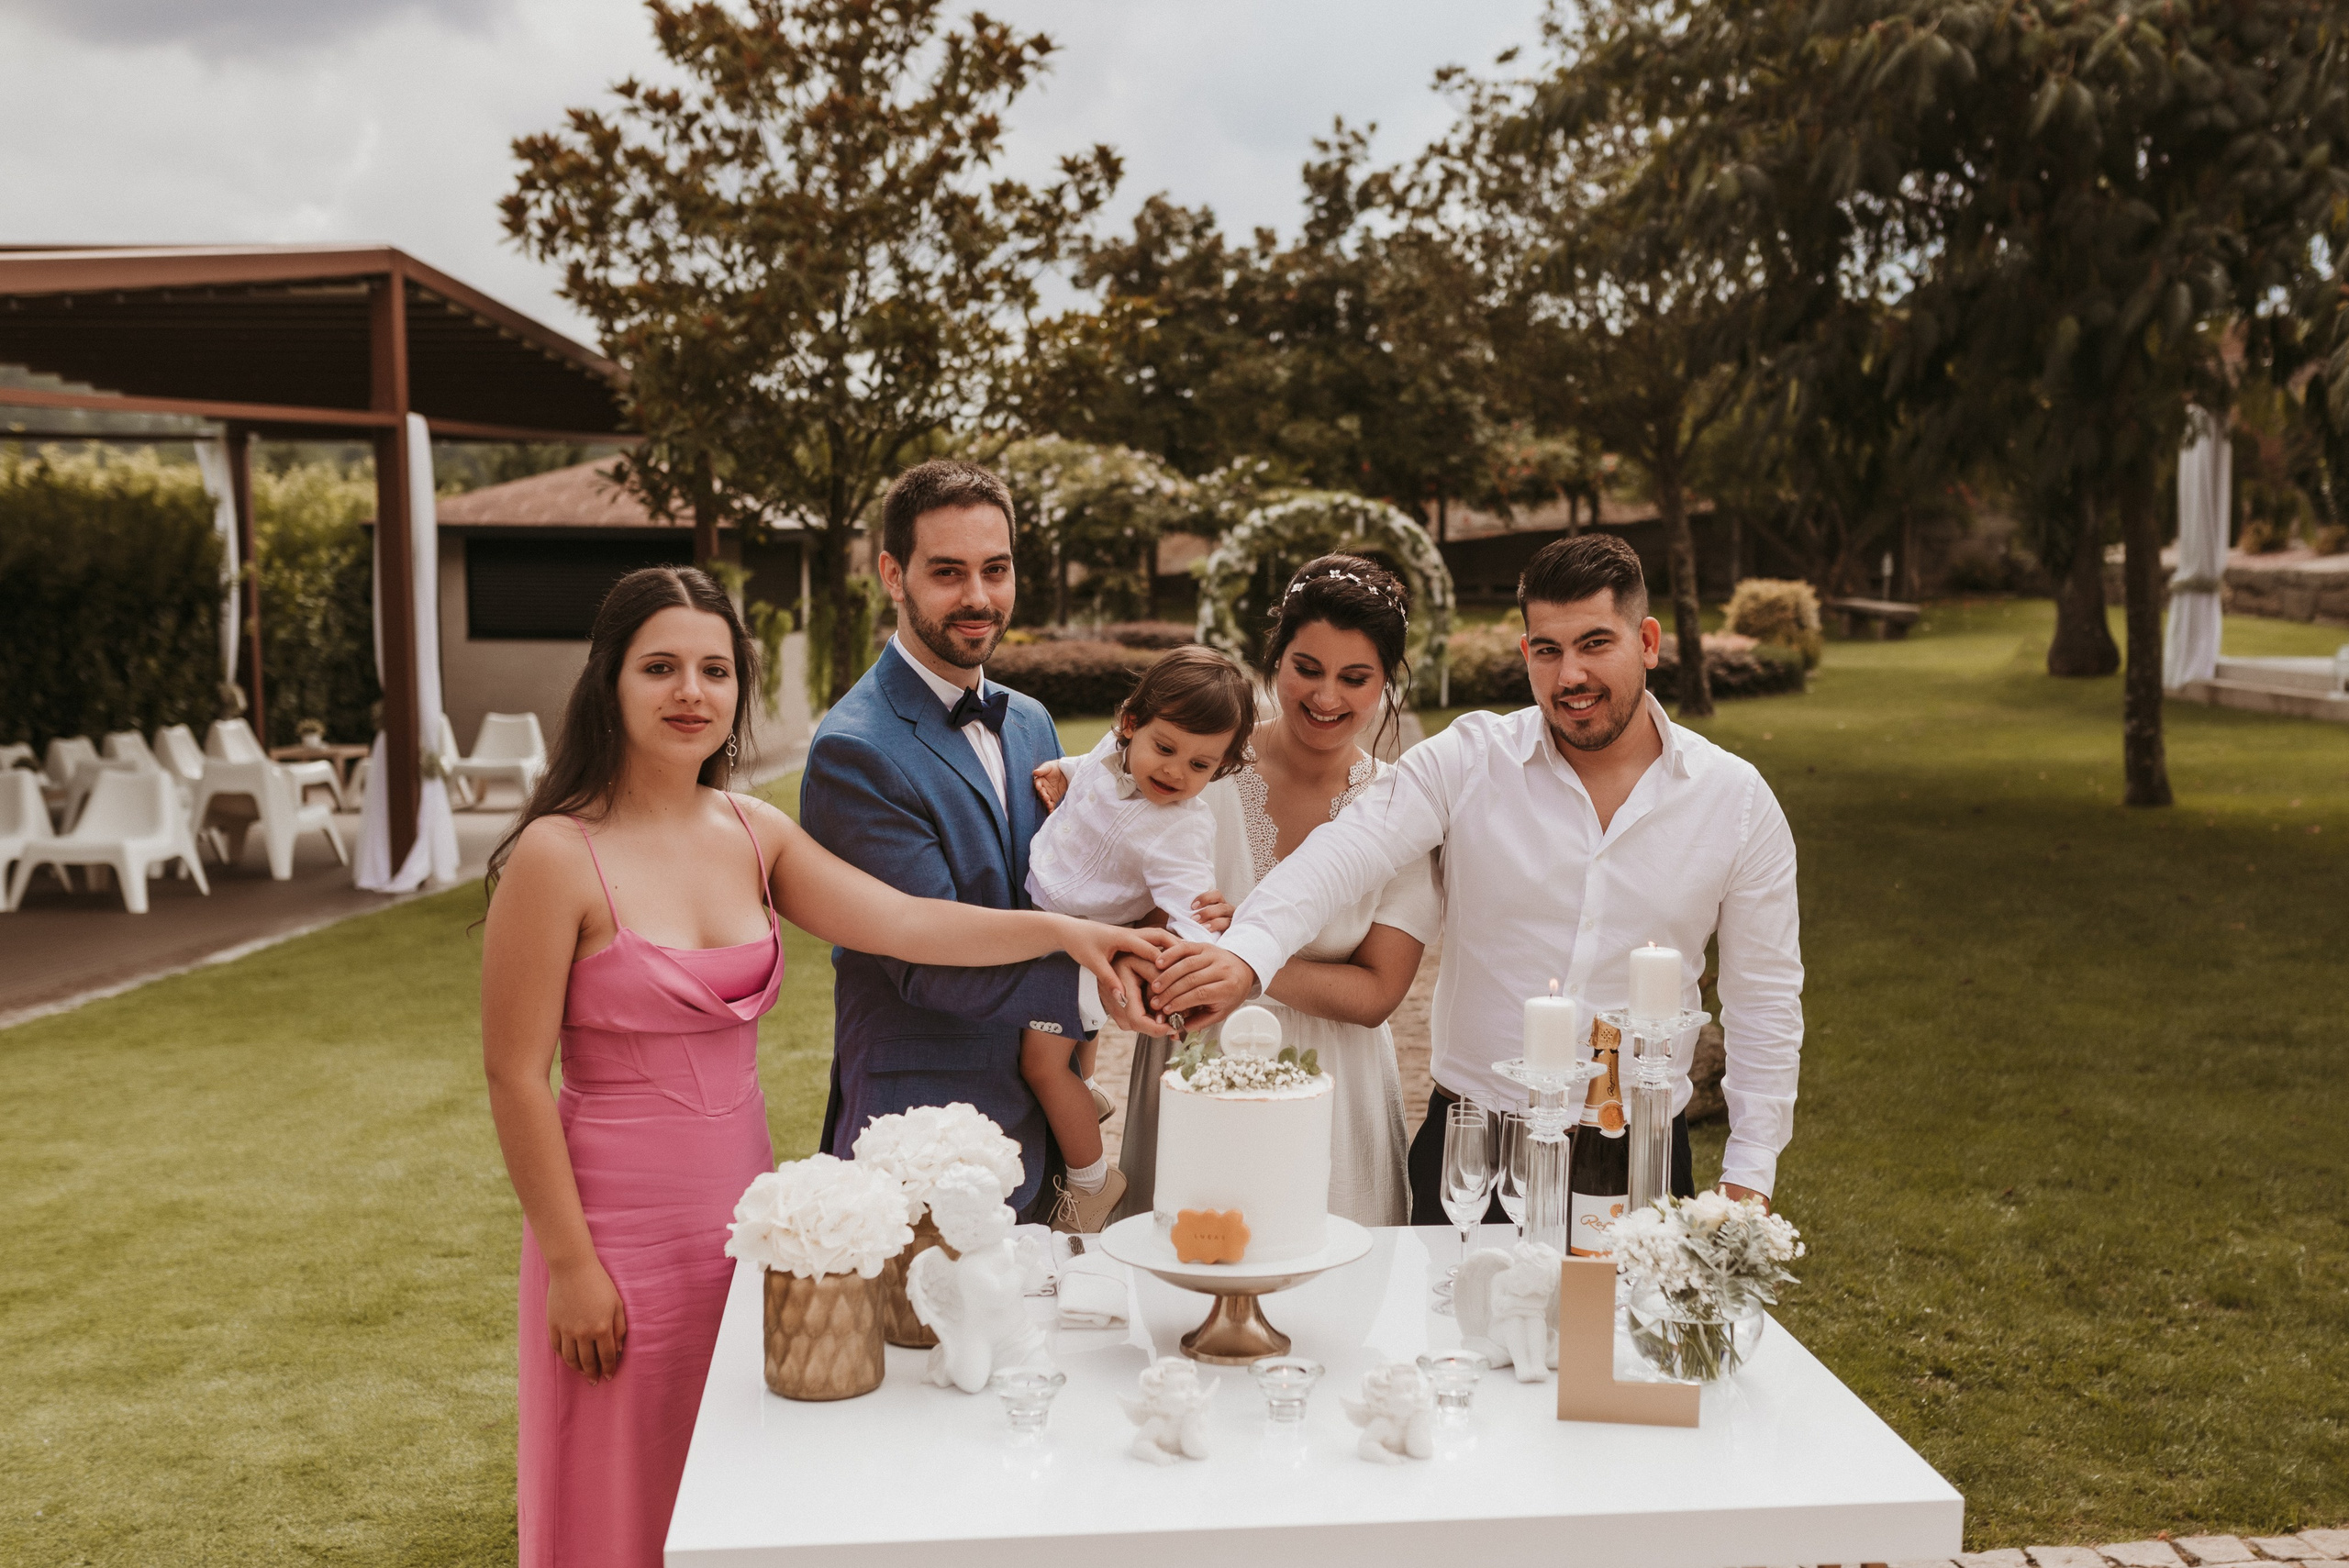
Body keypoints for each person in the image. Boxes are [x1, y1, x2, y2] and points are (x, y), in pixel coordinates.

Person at [480, 565, 1161, 1568]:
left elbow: (905, 920)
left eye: (715, 668)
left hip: (753, 1213)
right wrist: (572, 1265)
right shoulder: (555, 853)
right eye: (659, 666)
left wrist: (1066, 932)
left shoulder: (755, 832)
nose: (690, 692)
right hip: (611, 1226)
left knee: (747, 1467)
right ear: (608, 682)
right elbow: (511, 1075)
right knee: (621, 1472)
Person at [1146, 533, 1805, 1218]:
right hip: (1473, 1150)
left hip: (1637, 1156)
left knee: (1622, 1331)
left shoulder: (1736, 800)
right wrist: (1248, 954)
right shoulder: (1469, 759)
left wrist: (1749, 1173)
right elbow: (1347, 848)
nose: (1569, 674)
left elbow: (1764, 999)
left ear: (1646, 641)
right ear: (1526, 654)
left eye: (1594, 644)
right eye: (1547, 650)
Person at [800, 459, 1164, 1219]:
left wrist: (1156, 926)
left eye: (995, 570)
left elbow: (1067, 881)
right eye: (948, 572)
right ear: (892, 575)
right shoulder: (853, 749)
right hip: (922, 1123)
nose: (978, 598)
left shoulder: (1028, 719)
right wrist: (1103, 988)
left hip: (1041, 1114)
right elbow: (919, 960)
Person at [1108, 556, 1439, 1226]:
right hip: (1196, 1074)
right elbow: (1125, 920)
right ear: (1275, 659)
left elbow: (1377, 994)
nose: (1326, 697)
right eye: (1307, 668)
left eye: (1356, 677)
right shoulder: (1197, 771)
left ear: (1387, 683)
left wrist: (1243, 960)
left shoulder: (1406, 809)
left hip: (1337, 1099)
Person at [1020, 643, 1256, 1230]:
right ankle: (1089, 1092)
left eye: (1201, 766)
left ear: (1221, 769)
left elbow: (1190, 907)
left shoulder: (1179, 828)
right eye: (1166, 748)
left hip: (1086, 948)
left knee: (1040, 1066)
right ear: (1130, 724)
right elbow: (1096, 767)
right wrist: (1065, 770)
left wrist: (1203, 938)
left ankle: (1092, 1184)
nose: (1175, 773)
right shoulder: (1112, 753)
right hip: (1047, 920)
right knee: (1072, 1056)